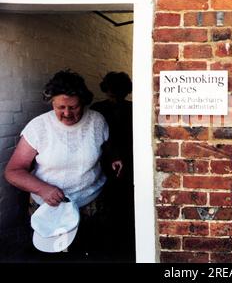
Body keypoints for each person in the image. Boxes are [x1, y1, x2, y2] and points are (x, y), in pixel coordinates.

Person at [4, 69, 122, 262]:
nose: (67, 113)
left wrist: (114, 157)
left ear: (83, 102)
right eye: (61, 107)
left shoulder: (97, 121)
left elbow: (106, 144)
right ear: (51, 102)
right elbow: (13, 171)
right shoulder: (38, 127)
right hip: (50, 207)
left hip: (90, 204)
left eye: (74, 107)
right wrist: (42, 189)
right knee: (55, 256)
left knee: (90, 253)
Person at [91, 71, 135, 262]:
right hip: (104, 159)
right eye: (111, 89)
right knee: (106, 198)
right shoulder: (97, 109)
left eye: (119, 90)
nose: (114, 94)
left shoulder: (133, 108)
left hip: (128, 158)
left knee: (124, 198)